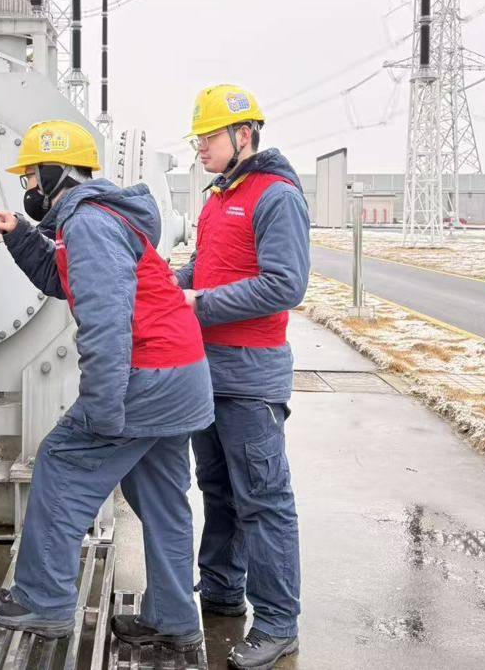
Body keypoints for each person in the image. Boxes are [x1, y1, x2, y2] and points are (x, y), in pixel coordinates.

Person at [0, 119, 214, 652]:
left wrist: (104, 410)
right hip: (181, 373)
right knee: (161, 498)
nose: (28, 188)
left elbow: (107, 322)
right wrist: (21, 234)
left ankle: (44, 601)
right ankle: (174, 619)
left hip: (148, 375)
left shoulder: (88, 224)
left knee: (63, 465)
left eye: (31, 177)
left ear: (54, 172)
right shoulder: (97, 217)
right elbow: (64, 280)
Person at [176, 85, 310, 670]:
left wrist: (200, 303)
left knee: (263, 499)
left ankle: (278, 624)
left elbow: (286, 285)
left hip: (251, 377)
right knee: (218, 488)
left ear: (244, 136)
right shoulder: (218, 197)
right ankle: (222, 590)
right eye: (199, 138)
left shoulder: (276, 196)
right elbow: (208, 268)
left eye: (209, 137)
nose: (201, 147)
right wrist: (170, 282)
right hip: (207, 371)